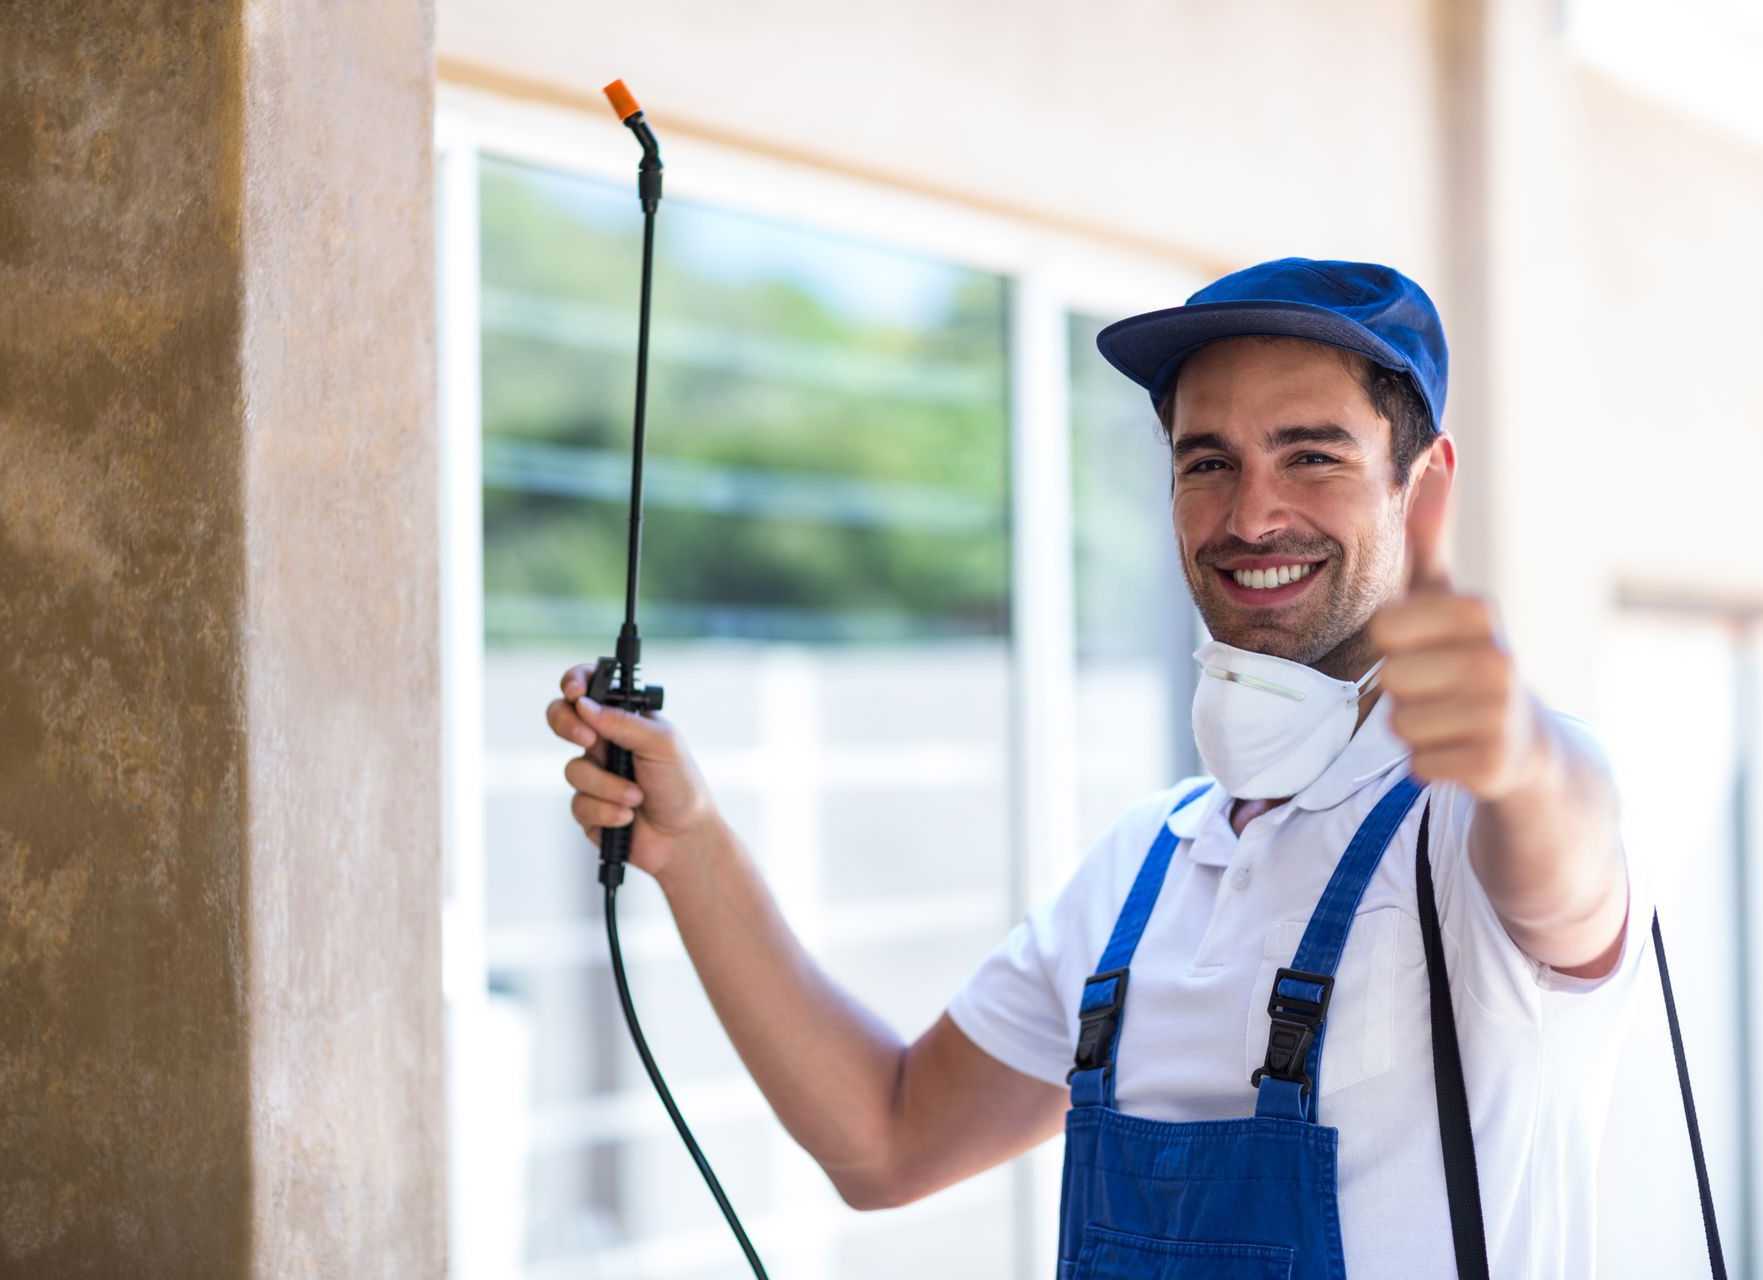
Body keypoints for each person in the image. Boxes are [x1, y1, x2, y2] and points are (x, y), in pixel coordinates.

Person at [546, 259, 1648, 1278]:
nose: (1253, 512)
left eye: (1313, 453)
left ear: (1423, 482)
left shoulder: (1470, 819)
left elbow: (1568, 857)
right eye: (1206, 461)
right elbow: (882, 1138)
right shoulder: (1144, 870)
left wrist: (1517, 753)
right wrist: (689, 849)